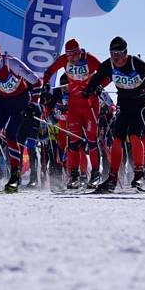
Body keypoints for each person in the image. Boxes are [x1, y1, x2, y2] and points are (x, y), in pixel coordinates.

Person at [84, 36, 145, 192]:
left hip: (140, 102)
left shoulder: (135, 63)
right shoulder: (109, 64)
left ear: (126, 52)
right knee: (117, 140)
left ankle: (139, 174)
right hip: (124, 103)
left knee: (133, 136)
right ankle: (112, 178)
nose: (115, 57)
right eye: (112, 53)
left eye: (118, 53)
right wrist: (89, 90)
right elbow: (96, 78)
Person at [0, 42, 42, 192]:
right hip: (2, 102)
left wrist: (33, 104)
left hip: (20, 102)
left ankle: (15, 177)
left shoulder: (12, 64)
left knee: (11, 136)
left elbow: (37, 82)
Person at [42, 38, 102, 188]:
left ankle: (95, 175)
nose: (72, 59)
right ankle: (74, 176)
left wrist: (99, 85)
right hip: (74, 106)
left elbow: (105, 72)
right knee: (73, 142)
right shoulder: (64, 60)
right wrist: (46, 85)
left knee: (91, 140)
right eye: (69, 56)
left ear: (79, 52)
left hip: (90, 105)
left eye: (74, 55)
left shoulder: (90, 59)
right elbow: (48, 72)